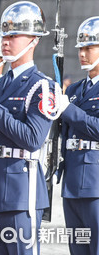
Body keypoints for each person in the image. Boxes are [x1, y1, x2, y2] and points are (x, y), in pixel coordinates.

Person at [0, 1, 61, 254]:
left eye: (13, 35)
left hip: (22, 193)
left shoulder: (42, 86)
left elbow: (33, 138)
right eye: (4, 34)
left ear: (34, 40)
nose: (5, 41)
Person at [58, 16, 99, 255]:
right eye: (80, 48)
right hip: (72, 181)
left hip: (95, 182)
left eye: (89, 48)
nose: (82, 53)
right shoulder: (73, 90)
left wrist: (68, 110)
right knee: (78, 249)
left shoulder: (71, 98)